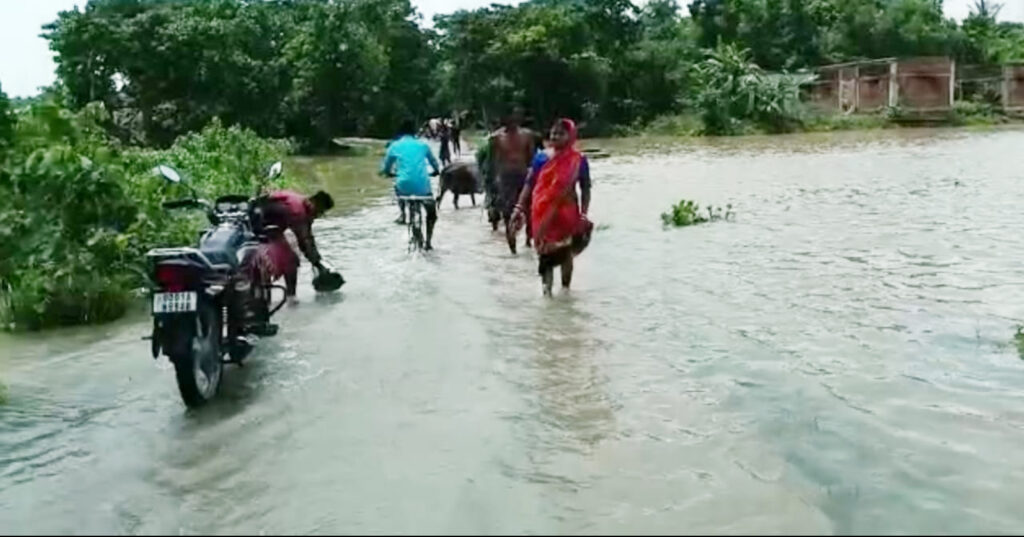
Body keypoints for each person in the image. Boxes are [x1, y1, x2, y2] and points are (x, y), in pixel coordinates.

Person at [511, 118, 592, 296]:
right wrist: (518, 207)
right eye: (553, 133)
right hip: (542, 215)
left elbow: (585, 188)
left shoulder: (578, 161)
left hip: (567, 216)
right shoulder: (541, 158)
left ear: (570, 136)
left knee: (565, 254)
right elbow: (529, 184)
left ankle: (565, 291)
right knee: (545, 255)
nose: (555, 136)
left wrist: (584, 215)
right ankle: (546, 293)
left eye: (561, 133)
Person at [380, 119, 442, 250]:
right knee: (432, 213)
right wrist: (436, 172)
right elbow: (435, 164)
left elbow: (385, 168)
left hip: (403, 186)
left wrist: (388, 173)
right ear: (415, 132)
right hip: (423, 187)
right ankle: (429, 242)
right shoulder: (423, 145)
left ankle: (403, 215)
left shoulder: (394, 146)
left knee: (400, 190)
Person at [488, 109, 537, 253]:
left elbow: (532, 159)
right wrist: (494, 181)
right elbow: (493, 162)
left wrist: (533, 177)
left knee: (529, 210)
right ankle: (513, 248)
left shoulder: (527, 135)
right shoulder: (496, 138)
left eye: (514, 116)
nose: (512, 119)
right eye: (509, 116)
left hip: (524, 176)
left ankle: (528, 241)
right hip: (506, 178)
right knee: (508, 212)